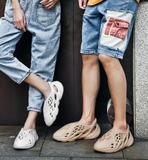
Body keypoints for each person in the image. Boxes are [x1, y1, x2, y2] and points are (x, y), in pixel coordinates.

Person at [53, 0, 140, 153]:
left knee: (108, 57)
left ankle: (121, 127)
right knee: (88, 56)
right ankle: (88, 122)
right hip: (94, 2)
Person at [0, 0, 63, 149]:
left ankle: (30, 127)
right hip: (19, 4)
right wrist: (16, 6)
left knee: (42, 66)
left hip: (46, 8)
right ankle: (47, 88)